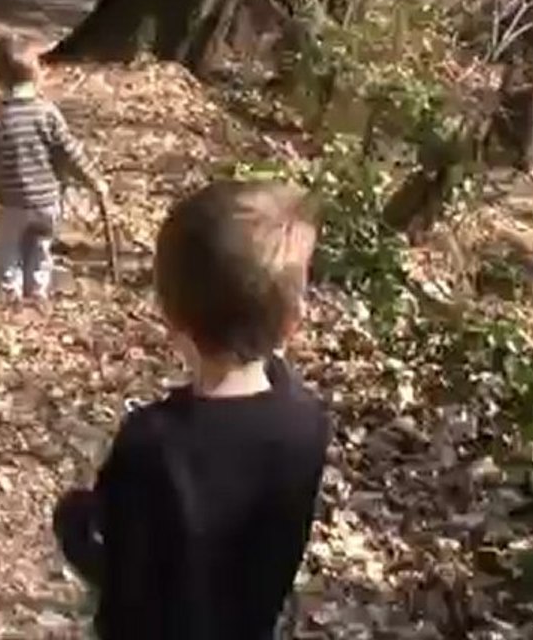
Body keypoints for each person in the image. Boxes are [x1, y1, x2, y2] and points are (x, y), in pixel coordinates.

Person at [53, 180, 332, 639]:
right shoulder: (306, 425)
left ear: (170, 316)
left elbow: (121, 570)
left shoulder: (152, 442)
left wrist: (72, 520)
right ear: (292, 323)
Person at [0, 34, 107, 301]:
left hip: (13, 202)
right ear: (38, 77)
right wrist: (95, 181)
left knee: (7, 245)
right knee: (40, 245)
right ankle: (37, 289)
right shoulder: (48, 114)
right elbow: (70, 152)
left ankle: (9, 287)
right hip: (48, 202)